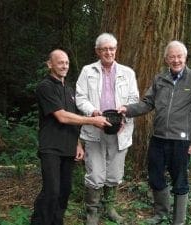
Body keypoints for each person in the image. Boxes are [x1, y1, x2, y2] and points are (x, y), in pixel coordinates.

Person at [119, 40, 191, 225]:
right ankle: (161, 213)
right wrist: (128, 109)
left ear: (185, 57)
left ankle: (179, 221)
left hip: (181, 140)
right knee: (155, 176)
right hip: (158, 138)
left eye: (179, 56)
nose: (176, 60)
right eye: (172, 57)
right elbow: (147, 103)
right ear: (167, 59)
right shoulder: (160, 79)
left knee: (180, 180)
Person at [31, 49, 110, 225]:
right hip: (51, 147)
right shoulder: (45, 87)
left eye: (66, 62)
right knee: (51, 191)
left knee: (64, 191)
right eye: (60, 62)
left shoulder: (69, 91)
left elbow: (74, 120)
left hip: (68, 149)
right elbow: (62, 116)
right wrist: (92, 120)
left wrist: (78, 144)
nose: (64, 66)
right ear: (50, 64)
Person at [75, 33, 139, 224]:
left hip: (120, 129)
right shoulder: (87, 71)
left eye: (111, 48)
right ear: (98, 51)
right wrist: (93, 112)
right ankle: (92, 211)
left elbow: (134, 100)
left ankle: (109, 207)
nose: (108, 52)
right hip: (95, 129)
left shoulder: (127, 73)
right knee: (95, 173)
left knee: (115, 173)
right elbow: (80, 97)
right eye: (104, 49)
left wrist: (123, 115)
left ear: (116, 50)